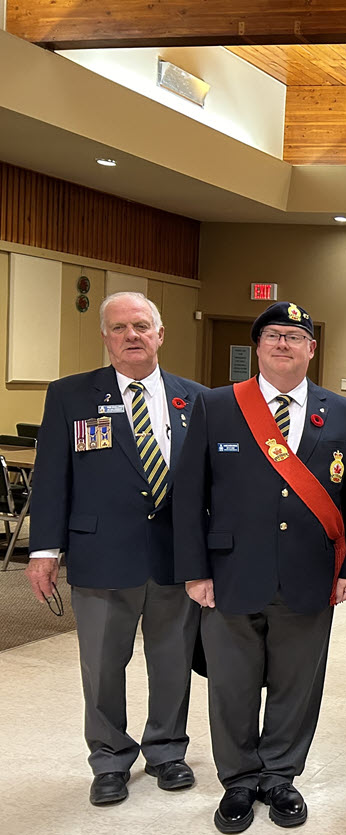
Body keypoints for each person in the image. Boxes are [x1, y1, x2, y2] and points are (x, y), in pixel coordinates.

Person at [174, 300, 346, 834]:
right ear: (258, 348)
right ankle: (238, 780)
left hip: (310, 574)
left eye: (294, 336)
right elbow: (189, 494)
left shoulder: (345, 414)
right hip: (230, 573)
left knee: (296, 683)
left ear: (311, 349)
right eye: (273, 335)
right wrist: (195, 571)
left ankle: (281, 776)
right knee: (232, 684)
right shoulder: (216, 405)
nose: (283, 343)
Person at [26, 291, 205, 807]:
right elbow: (53, 478)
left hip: (175, 558)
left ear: (160, 335)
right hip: (101, 554)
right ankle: (108, 758)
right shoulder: (70, 396)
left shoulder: (194, 398)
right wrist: (44, 550)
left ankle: (168, 750)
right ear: (105, 337)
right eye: (121, 327)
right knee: (103, 665)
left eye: (142, 326)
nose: (132, 335)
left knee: (171, 661)